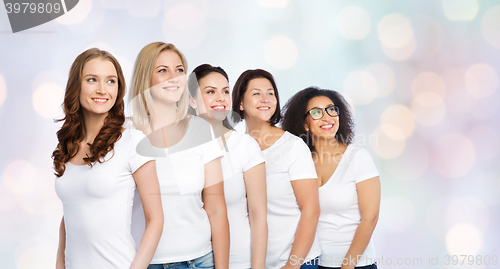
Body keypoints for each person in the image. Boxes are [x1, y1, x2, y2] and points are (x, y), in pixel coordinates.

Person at [53, 48, 164, 269]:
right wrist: (59, 264)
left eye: (111, 81)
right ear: (77, 85)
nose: (102, 90)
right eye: (92, 79)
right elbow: (72, 211)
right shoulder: (68, 144)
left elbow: (156, 220)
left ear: (119, 88)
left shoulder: (133, 141)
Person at [129, 42, 230, 269]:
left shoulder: (202, 131)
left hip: (200, 261)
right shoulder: (125, 135)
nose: (173, 77)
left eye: (180, 70)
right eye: (162, 70)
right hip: (144, 263)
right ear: (145, 77)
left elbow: (216, 209)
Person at [281, 87, 381, 269]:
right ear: (304, 124)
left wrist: (348, 265)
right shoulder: (300, 163)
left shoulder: (358, 158)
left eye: (331, 109)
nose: (327, 117)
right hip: (314, 263)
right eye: (317, 112)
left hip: (357, 265)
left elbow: (370, 218)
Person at [232, 69, 321, 269]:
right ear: (240, 103)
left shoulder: (293, 147)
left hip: (296, 262)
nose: (265, 99)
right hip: (252, 263)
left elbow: (312, 210)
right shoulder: (233, 148)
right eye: (256, 93)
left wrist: (292, 265)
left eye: (270, 93)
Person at [188, 64, 268, 269]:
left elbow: (258, 217)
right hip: (191, 260)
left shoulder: (245, 146)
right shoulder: (180, 148)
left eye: (225, 91)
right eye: (210, 92)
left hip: (239, 261)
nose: (221, 98)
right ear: (191, 101)